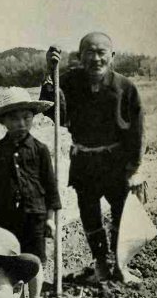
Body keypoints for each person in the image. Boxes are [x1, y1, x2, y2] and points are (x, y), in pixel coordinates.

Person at [40, 32, 145, 284]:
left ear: (112, 56)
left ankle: (121, 265)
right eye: (90, 52)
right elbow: (52, 110)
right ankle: (100, 265)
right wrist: (49, 72)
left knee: (123, 214)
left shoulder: (125, 87)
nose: (96, 58)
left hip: (116, 163)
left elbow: (137, 131)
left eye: (101, 52)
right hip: (84, 163)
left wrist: (135, 168)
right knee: (90, 215)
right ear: (80, 56)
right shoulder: (69, 81)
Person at [0, 87, 60, 298]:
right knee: (9, 260)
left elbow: (51, 188)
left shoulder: (40, 150)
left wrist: (50, 219)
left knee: (34, 260)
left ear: (33, 118)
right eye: (14, 118)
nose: (21, 123)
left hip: (34, 214)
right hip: (5, 216)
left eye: (26, 117)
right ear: (4, 121)